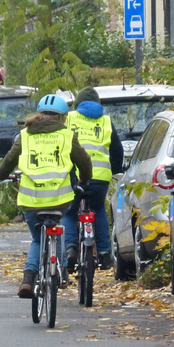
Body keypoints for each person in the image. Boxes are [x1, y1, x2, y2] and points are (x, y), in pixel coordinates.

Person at [0, 93, 92, 298]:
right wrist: (84, 179)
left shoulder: (25, 135)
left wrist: (2, 176)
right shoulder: (66, 136)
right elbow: (84, 162)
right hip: (60, 198)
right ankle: (62, 269)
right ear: (63, 118)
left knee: (38, 239)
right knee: (58, 225)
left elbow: (6, 165)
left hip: (31, 200)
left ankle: (28, 279)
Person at [61, 86, 124, 271]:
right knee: (98, 210)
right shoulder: (106, 121)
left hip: (74, 177)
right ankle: (105, 254)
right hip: (100, 178)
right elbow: (117, 150)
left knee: (70, 212)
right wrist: (115, 170)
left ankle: (70, 248)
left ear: (77, 104)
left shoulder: (70, 118)